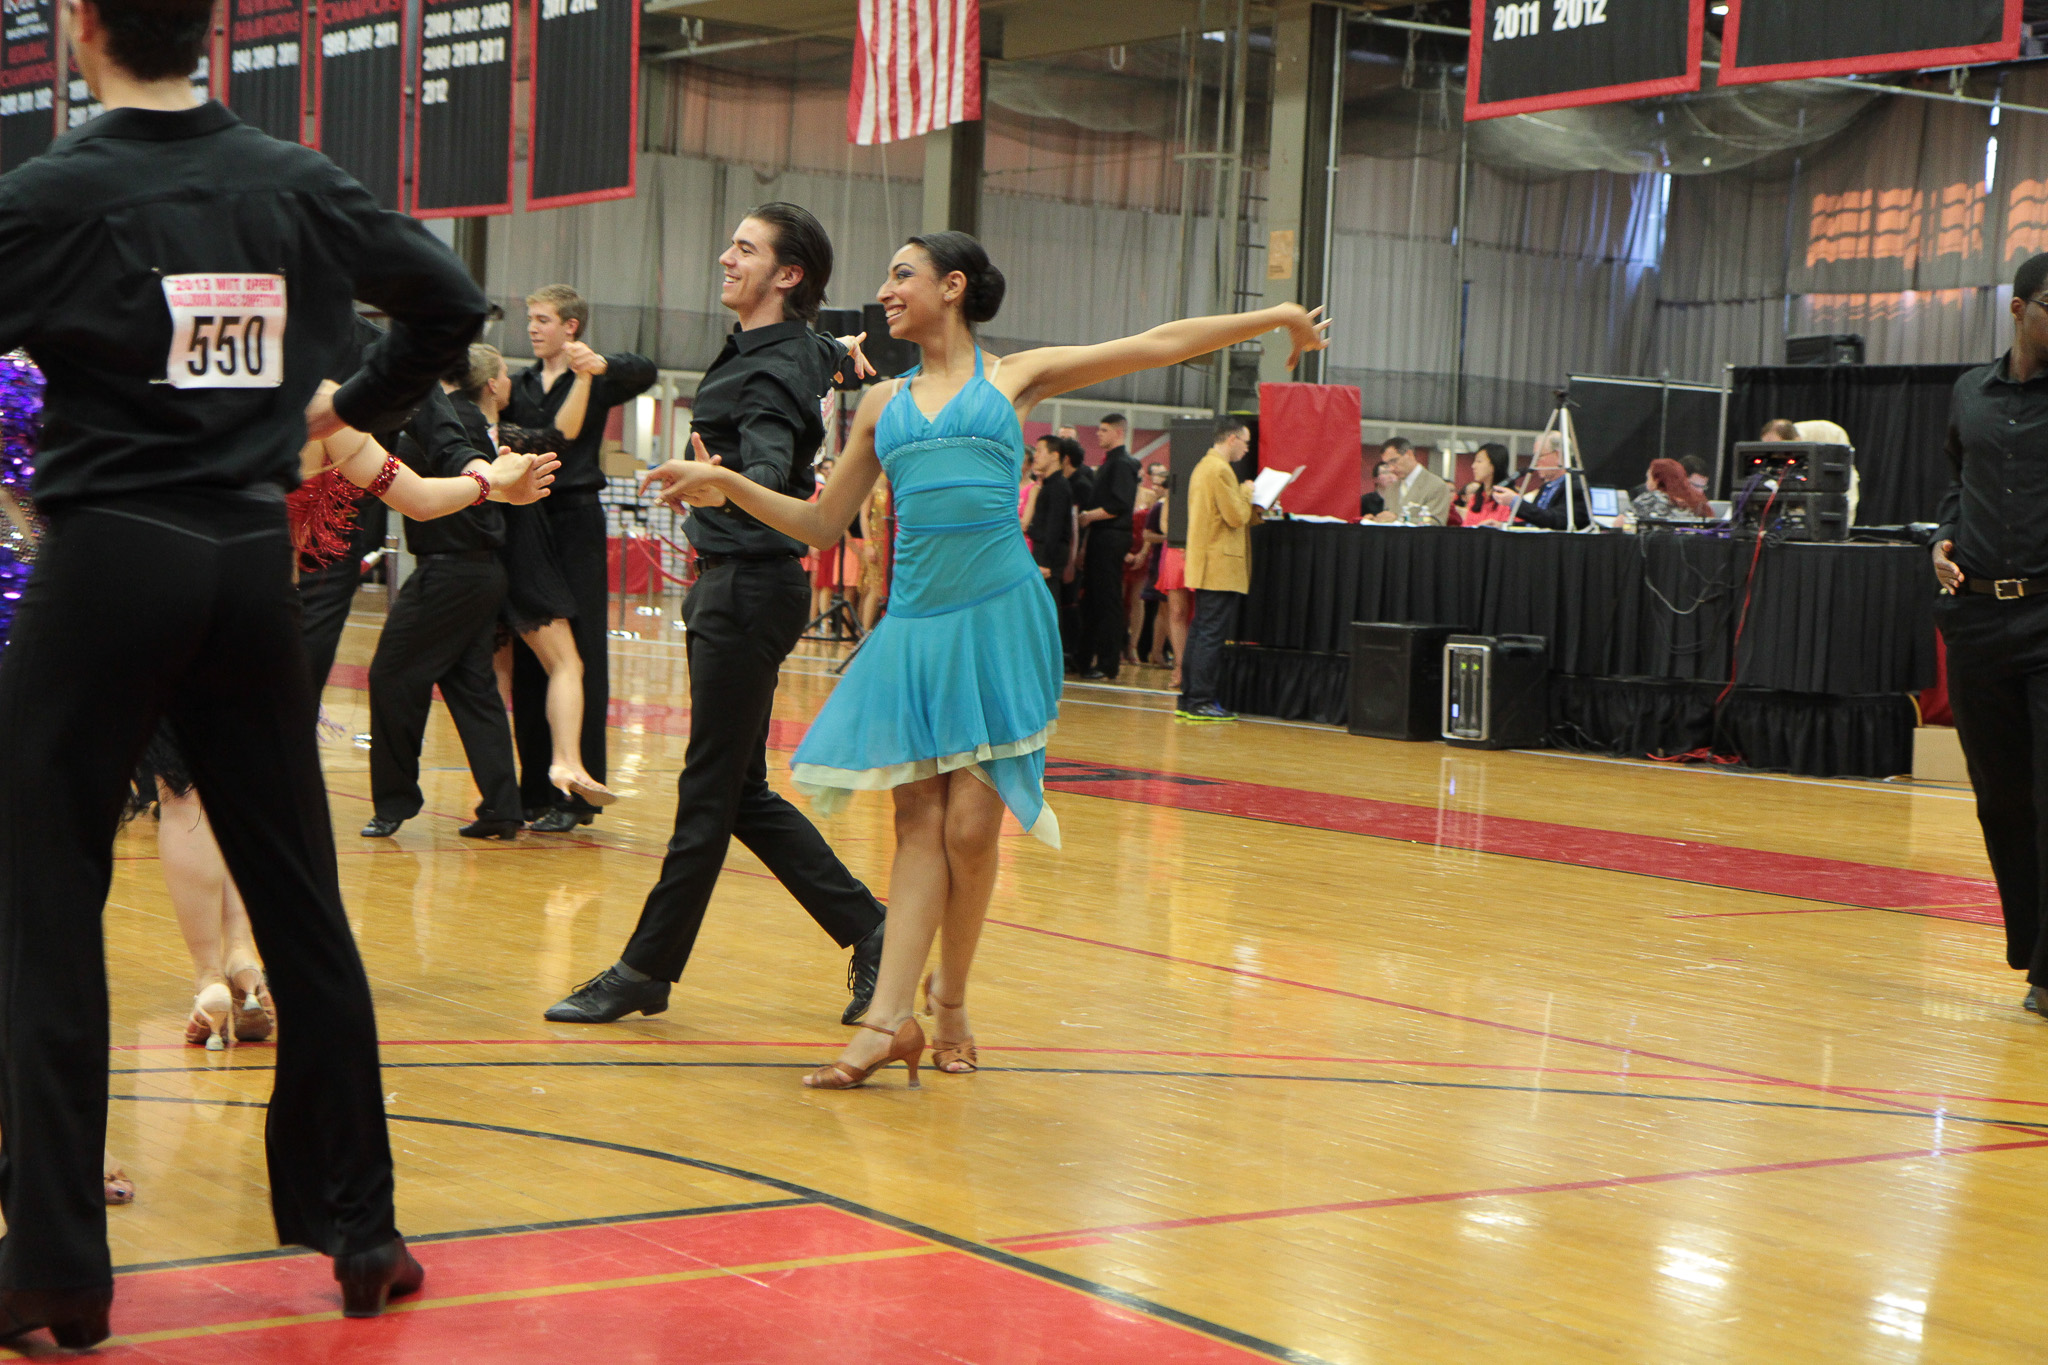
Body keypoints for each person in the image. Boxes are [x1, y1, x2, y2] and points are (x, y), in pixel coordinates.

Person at [0, 0, 503, 1327]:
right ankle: (363, 1231)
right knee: (300, 900)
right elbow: (450, 303)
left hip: (109, 558)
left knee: (46, 903)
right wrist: (341, 406)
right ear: (208, 30)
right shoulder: (295, 182)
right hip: (242, 559)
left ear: (83, 27)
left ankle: (55, 1267)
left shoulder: (52, 192)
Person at [648, 232, 1326, 1089]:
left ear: (953, 286)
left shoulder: (1013, 378)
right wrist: (732, 487)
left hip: (1001, 619)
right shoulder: (880, 404)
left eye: (902, 274)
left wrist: (1277, 315)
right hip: (916, 629)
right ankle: (888, 1020)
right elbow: (822, 524)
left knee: (971, 829)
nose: (885, 290)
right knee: (916, 823)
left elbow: (1157, 343)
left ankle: (952, 1000)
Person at [543, 203, 887, 1030]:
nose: (726, 257)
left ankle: (644, 969)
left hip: (746, 590)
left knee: (708, 794)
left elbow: (766, 470)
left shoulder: (768, 372)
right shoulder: (789, 349)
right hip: (739, 587)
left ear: (788, 274)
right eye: (731, 244)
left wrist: (720, 482)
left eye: (745, 248)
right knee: (740, 792)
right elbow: (826, 357)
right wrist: (843, 350)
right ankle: (873, 927)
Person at [1929, 251, 2048, 1016]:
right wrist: (1940, 539)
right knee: (2001, 799)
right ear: (2019, 308)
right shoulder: (1969, 391)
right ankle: (2034, 947)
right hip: (1976, 621)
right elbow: (1957, 480)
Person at [505, 285, 656, 832]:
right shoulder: (519, 384)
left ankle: (576, 796)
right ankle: (533, 791)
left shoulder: (595, 377)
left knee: (583, 649)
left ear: (571, 326)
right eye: (531, 318)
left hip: (576, 521)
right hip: (527, 517)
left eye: (543, 319)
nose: (533, 327)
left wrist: (600, 363)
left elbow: (645, 371)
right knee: (530, 652)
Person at [359, 386, 527, 840]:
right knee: (472, 687)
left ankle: (394, 801)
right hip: (477, 571)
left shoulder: (440, 420)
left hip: (449, 572)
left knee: (391, 677)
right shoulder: (458, 417)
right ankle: (503, 806)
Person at [449, 343, 612, 807]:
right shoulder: (504, 440)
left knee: (496, 681)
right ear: (492, 385)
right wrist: (585, 379)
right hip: (523, 560)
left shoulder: (452, 433)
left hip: (479, 563)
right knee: (567, 664)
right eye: (504, 373)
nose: (511, 381)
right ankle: (567, 762)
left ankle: (498, 795)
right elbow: (562, 435)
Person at [1178, 417, 1259, 722]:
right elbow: (1235, 516)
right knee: (1210, 635)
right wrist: (1248, 491)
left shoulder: (1205, 466)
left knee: (1201, 632)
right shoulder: (1220, 470)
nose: (1247, 449)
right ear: (1232, 439)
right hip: (1219, 563)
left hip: (1206, 560)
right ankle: (1200, 700)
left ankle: (1189, 698)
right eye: (1245, 442)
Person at [1075, 414, 1139, 679]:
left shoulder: (1121, 464)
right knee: (1093, 599)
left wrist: (1088, 516)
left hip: (1111, 537)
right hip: (1101, 536)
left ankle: (1108, 662)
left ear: (1117, 432)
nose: (1098, 434)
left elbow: (1119, 505)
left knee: (1107, 600)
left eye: (1103, 430)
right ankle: (1086, 659)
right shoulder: (1110, 463)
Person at [1497, 433, 1591, 529]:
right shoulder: (1546, 487)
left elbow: (1555, 521)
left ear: (1557, 456)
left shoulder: (1575, 488)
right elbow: (1534, 523)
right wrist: (1502, 525)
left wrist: (1515, 502)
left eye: (1539, 457)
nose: (1535, 463)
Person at [1124, 460, 1165, 665]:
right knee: (1118, 600)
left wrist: (1143, 553)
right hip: (1122, 549)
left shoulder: (1149, 496)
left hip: (1141, 550)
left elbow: (1151, 528)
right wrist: (1123, 552)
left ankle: (1133, 646)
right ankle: (1117, 644)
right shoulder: (1122, 494)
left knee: (1137, 601)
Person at [1026, 434, 1074, 606]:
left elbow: (1055, 526)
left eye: (1040, 451)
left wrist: (1047, 563)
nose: (1036, 456)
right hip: (1043, 550)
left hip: (1048, 556)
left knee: (1046, 604)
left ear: (1054, 456)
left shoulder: (1058, 486)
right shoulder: (1049, 484)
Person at [1369, 437, 1451, 526]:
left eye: (1394, 461)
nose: (1391, 468)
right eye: (1388, 464)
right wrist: (1375, 519)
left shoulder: (1436, 486)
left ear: (1409, 454)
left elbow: (1435, 522)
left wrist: (1398, 519)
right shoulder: (1391, 487)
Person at [859, 469, 893, 632]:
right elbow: (864, 516)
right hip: (877, 543)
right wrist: (868, 544)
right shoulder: (874, 482)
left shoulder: (896, 481)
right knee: (876, 588)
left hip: (893, 541)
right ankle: (866, 632)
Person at [1631, 456, 1712, 522]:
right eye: (1696, 486)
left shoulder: (1648, 499)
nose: (1700, 491)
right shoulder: (1642, 494)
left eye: (1703, 487)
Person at [1450, 443, 1511, 526]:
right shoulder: (1476, 498)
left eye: (1479, 461)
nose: (1473, 466)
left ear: (1494, 464)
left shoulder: (1508, 499)